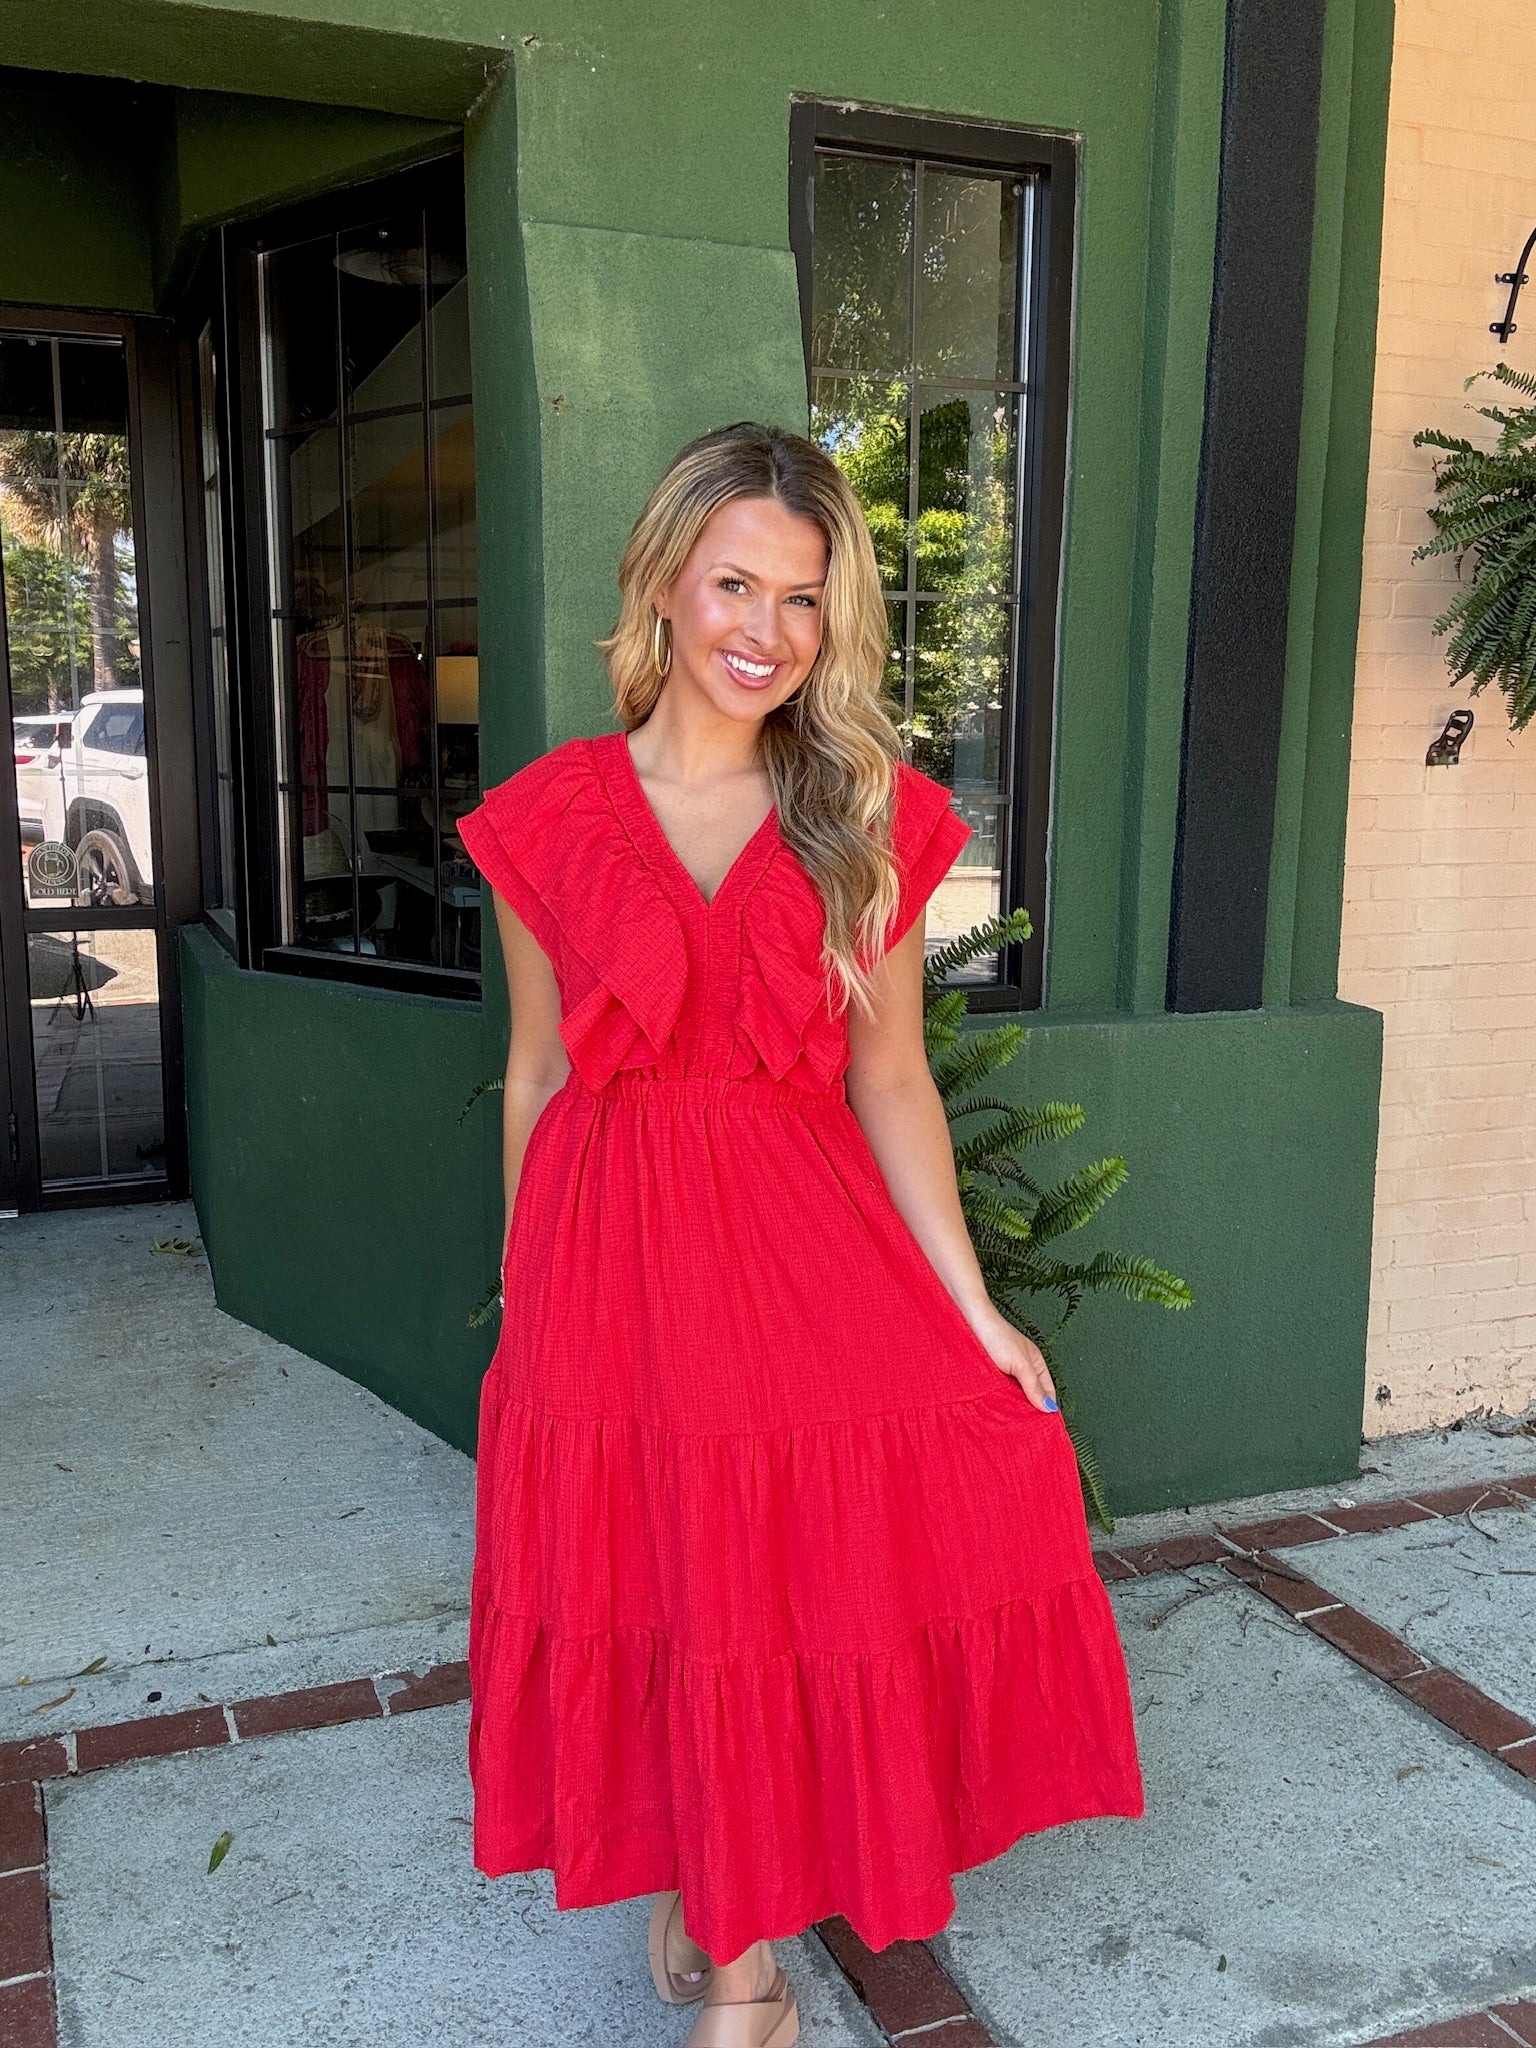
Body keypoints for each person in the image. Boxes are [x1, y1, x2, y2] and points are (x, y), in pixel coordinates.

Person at [456, 421, 1144, 2047]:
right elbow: (539, 1070)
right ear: (664, 587)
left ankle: (743, 1972)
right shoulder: (547, 818)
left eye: (805, 598)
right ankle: (718, 1912)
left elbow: (892, 1078)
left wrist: (970, 1308)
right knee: (661, 1578)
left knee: (774, 1581)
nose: (765, 630)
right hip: (609, 1258)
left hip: (795, 1253)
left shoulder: (864, 821)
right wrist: (523, 1284)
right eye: (736, 584)